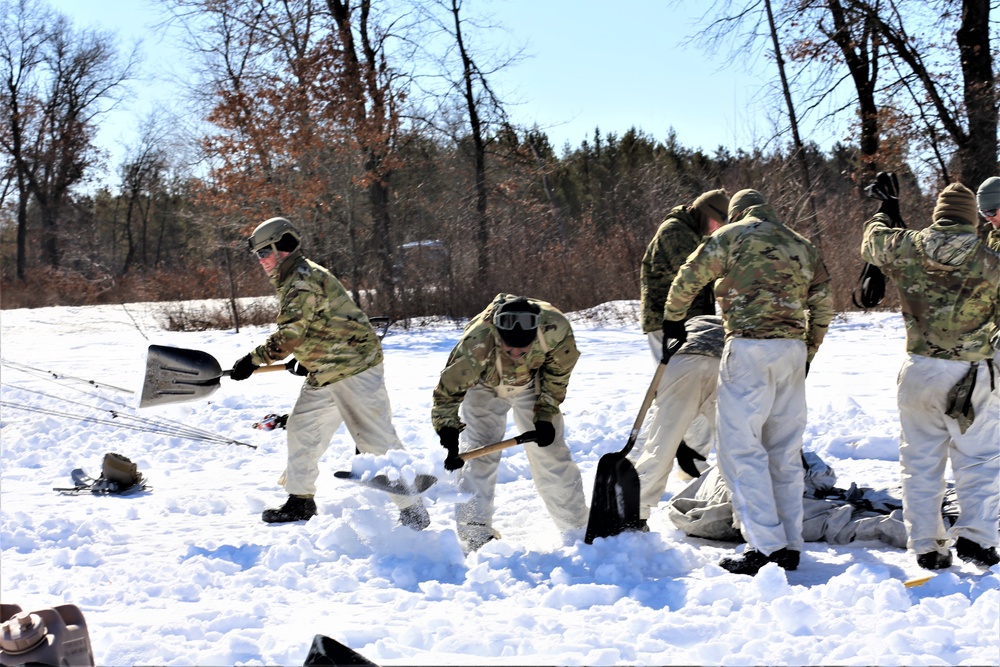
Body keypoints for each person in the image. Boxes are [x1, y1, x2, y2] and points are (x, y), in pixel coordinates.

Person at [663, 189, 835, 575]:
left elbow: (690, 274)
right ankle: (789, 543)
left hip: (749, 346)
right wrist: (808, 351)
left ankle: (765, 545)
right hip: (791, 351)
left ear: (737, 213)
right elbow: (823, 302)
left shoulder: (731, 235)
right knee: (785, 451)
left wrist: (673, 318)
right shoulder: (801, 244)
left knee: (740, 451)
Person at [230, 216, 430, 529]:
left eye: (262, 253)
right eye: (258, 256)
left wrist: (253, 360)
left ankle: (413, 508)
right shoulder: (294, 277)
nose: (261, 262)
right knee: (301, 428)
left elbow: (290, 334)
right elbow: (316, 326)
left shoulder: (300, 280)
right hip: (326, 370)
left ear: (279, 248)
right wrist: (307, 357)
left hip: (353, 368)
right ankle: (300, 500)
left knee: (376, 441)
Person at [862, 178, 1000, 571]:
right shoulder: (990, 261)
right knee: (979, 460)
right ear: (973, 219)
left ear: (938, 216)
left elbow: (872, 239)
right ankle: (978, 539)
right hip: (971, 374)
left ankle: (926, 544)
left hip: (918, 368)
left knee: (919, 462)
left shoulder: (907, 245)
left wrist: (885, 210)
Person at [431, 293, 590, 552]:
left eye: (523, 348)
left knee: (550, 453)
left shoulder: (555, 329)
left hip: (532, 381)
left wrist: (545, 414)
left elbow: (557, 374)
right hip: (483, 383)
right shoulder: (476, 343)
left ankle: (577, 527)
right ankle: (475, 534)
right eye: (509, 348)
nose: (516, 353)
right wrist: (447, 431)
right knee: (480, 452)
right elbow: (448, 392)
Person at [636, 189, 729, 484]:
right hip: (668, 324)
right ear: (702, 214)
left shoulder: (694, 232)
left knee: (696, 392)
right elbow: (697, 272)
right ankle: (638, 466)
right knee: (673, 394)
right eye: (715, 223)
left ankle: (691, 468)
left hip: (692, 324)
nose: (716, 230)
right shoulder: (675, 231)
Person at [629, 315, 723, 528]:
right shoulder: (735, 321)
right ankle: (744, 517)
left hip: (681, 362)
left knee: (660, 445)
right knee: (736, 448)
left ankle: (636, 513)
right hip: (724, 364)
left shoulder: (683, 327)